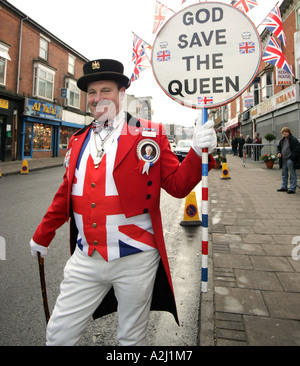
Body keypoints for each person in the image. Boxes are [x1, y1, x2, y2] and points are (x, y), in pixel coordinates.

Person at [30, 59, 217, 346]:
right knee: (58, 335)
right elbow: (66, 195)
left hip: (136, 258)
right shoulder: (78, 140)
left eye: (106, 90)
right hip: (85, 259)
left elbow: (178, 187)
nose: (97, 98)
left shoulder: (149, 133)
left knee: (131, 338)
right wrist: (43, 234)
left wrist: (194, 151)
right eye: (92, 92)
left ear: (121, 94)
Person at [277, 126, 300, 194]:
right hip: (283, 160)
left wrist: (291, 158)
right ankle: (284, 186)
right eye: (283, 132)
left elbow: (297, 150)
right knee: (284, 173)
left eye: (286, 132)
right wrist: (279, 152)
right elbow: (279, 147)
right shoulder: (282, 140)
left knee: (292, 174)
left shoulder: (293, 139)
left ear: (289, 132)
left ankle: (292, 188)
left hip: (290, 160)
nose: (284, 133)